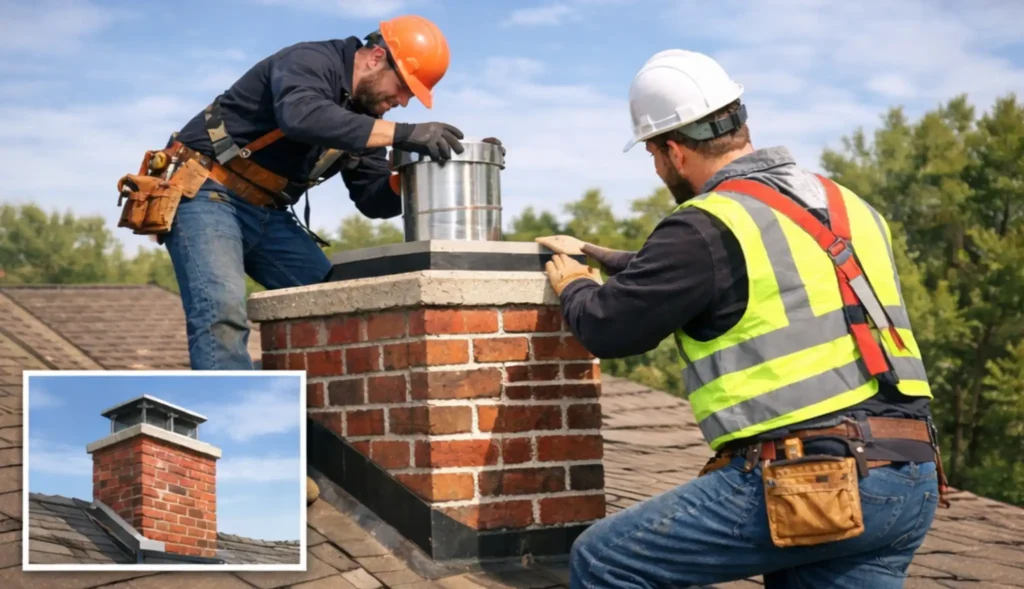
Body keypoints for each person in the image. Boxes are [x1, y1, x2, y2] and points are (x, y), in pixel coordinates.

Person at [542, 50, 948, 588]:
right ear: (741, 123)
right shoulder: (848, 205)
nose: (658, 169)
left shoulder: (705, 223)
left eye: (653, 155)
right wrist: (602, 254)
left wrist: (573, 283)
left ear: (673, 150)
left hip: (814, 478)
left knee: (604, 560)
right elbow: (728, 272)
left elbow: (608, 327)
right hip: (909, 477)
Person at [153, 15, 466, 370]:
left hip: (268, 213)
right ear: (377, 57)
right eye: (404, 87)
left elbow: (373, 199)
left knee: (334, 306)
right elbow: (301, 117)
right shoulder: (311, 61)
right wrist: (402, 134)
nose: (404, 101)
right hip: (208, 190)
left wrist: (416, 175)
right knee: (222, 314)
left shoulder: (366, 118)